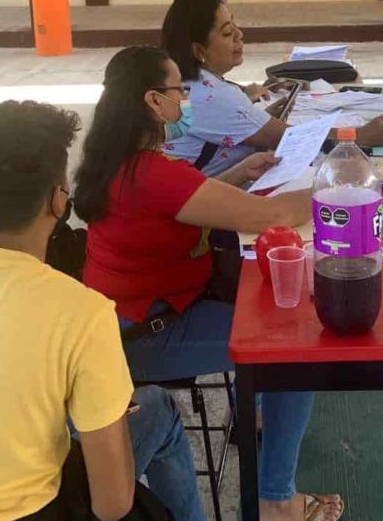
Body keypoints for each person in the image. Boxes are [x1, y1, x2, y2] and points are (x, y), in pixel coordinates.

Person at [0, 100, 205, 521]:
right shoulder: (83, 312)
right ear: (59, 201)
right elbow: (112, 506)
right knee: (156, 408)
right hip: (28, 513)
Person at [74, 46, 344, 521]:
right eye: (180, 89)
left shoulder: (121, 159)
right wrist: (341, 184)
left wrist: (239, 173)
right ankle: (275, 500)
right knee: (294, 351)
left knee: (270, 306)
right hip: (145, 335)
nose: (188, 99)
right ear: (154, 101)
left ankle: (258, 408)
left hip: (132, 322)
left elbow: (187, 198)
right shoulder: (149, 172)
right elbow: (273, 215)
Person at [160, 0, 383, 177]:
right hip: (208, 210)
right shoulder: (211, 93)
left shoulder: (187, 81)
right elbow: (288, 138)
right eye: (227, 33)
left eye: (235, 26)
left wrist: (256, 119)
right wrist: (358, 136)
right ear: (198, 50)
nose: (240, 36)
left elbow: (222, 128)